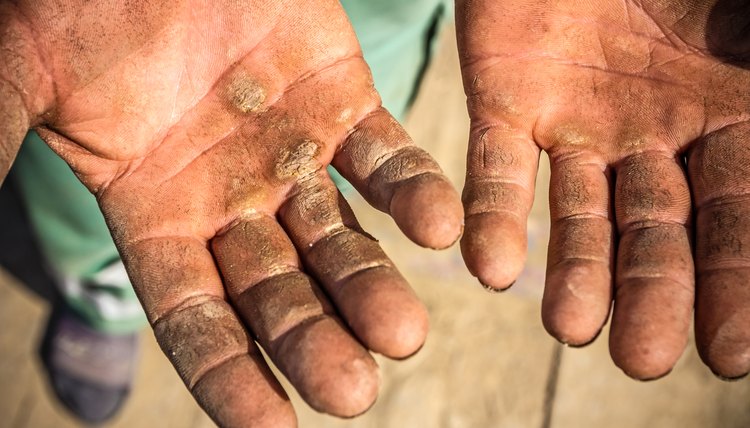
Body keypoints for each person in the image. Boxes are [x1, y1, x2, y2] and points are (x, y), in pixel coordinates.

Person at [0, 0, 748, 427]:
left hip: (354, 26)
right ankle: (102, 303)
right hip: (142, 48)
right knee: (137, 196)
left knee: (330, 132)